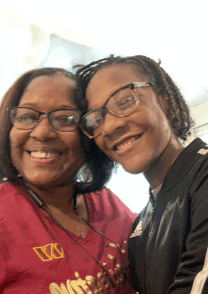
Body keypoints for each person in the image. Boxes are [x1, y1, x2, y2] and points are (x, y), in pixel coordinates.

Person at [75, 55, 208, 294]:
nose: (109, 126)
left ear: (168, 102)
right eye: (97, 119)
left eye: (124, 101)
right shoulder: (142, 225)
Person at [0, 67, 137, 294]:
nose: (42, 133)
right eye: (27, 117)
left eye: (65, 119)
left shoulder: (107, 203)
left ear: (88, 132)